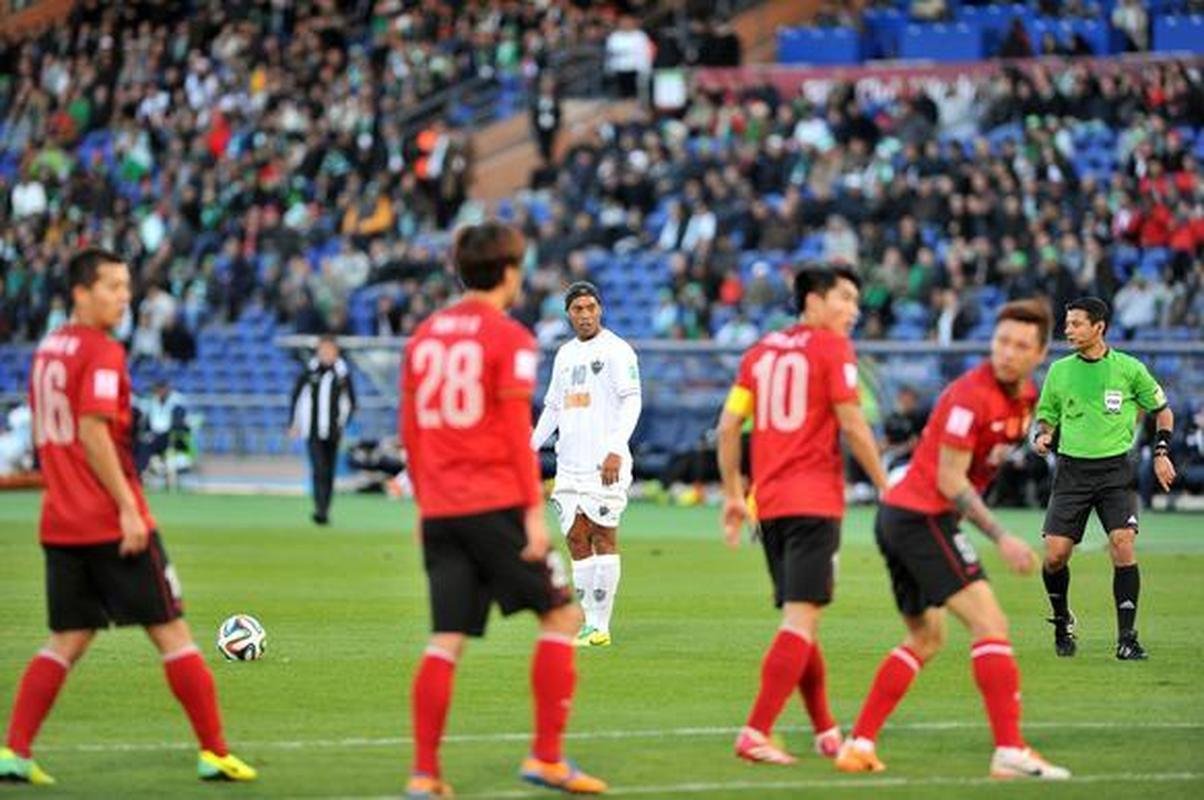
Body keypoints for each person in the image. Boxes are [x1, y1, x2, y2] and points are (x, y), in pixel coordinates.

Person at [0, 247, 255, 785]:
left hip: (60, 521)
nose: (124, 298)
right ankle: (214, 751)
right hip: (108, 521)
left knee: (67, 638)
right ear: (80, 292)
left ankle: (15, 751)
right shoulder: (101, 351)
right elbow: (93, 431)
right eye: (112, 287)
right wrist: (127, 510)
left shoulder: (48, 349)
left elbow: (57, 439)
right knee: (173, 631)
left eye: (126, 287)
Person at [401, 222, 606, 798]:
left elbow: (410, 431)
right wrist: (534, 515)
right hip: (495, 506)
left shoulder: (424, 337)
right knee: (561, 617)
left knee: (446, 639)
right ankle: (545, 758)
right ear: (511, 271)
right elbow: (518, 433)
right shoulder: (509, 337)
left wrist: (424, 505)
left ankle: (424, 773)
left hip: (441, 509)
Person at [835, 300, 1070, 780]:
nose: (1007, 352)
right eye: (1001, 340)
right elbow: (949, 479)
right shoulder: (971, 395)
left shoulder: (1026, 397)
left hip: (902, 516)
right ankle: (1009, 751)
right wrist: (1002, 536)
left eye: (1020, 345)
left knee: (926, 638)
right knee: (991, 623)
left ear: (1040, 352)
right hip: (921, 517)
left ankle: (858, 743)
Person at [716, 266, 890, 765]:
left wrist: (733, 494)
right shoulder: (833, 349)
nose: (854, 310)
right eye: (845, 299)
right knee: (801, 618)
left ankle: (824, 730)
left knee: (801, 616)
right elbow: (853, 425)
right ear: (813, 300)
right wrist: (885, 485)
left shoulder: (760, 352)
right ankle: (756, 730)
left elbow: (729, 427)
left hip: (767, 505)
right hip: (813, 501)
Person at [1033, 297, 1176, 660]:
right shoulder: (1059, 371)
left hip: (1116, 471)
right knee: (1054, 557)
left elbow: (1163, 412)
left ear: (1099, 327)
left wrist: (1161, 453)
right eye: (1067, 324)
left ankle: (1127, 639)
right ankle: (1063, 620)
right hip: (1072, 471)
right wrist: (1043, 436)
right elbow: (1045, 416)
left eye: (1077, 324)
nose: (1068, 330)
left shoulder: (1129, 369)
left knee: (1122, 543)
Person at [531, 281, 642, 648]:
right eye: (578, 309)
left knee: (603, 535)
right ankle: (589, 624)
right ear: (568, 314)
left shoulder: (617, 350)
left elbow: (631, 402)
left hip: (604, 463)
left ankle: (601, 625)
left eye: (591, 308)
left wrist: (614, 448)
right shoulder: (564, 355)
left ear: (600, 310)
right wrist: (529, 446)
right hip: (570, 464)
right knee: (576, 539)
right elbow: (554, 407)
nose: (585, 315)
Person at [289, 335, 357, 525]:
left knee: (328, 470)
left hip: (333, 431)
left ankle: (325, 508)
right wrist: (294, 423)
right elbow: (297, 396)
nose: (326, 354)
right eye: (323, 350)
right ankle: (319, 508)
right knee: (318, 468)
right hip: (312, 429)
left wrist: (342, 423)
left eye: (330, 350)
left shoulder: (342, 373)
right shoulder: (309, 372)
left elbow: (350, 401)